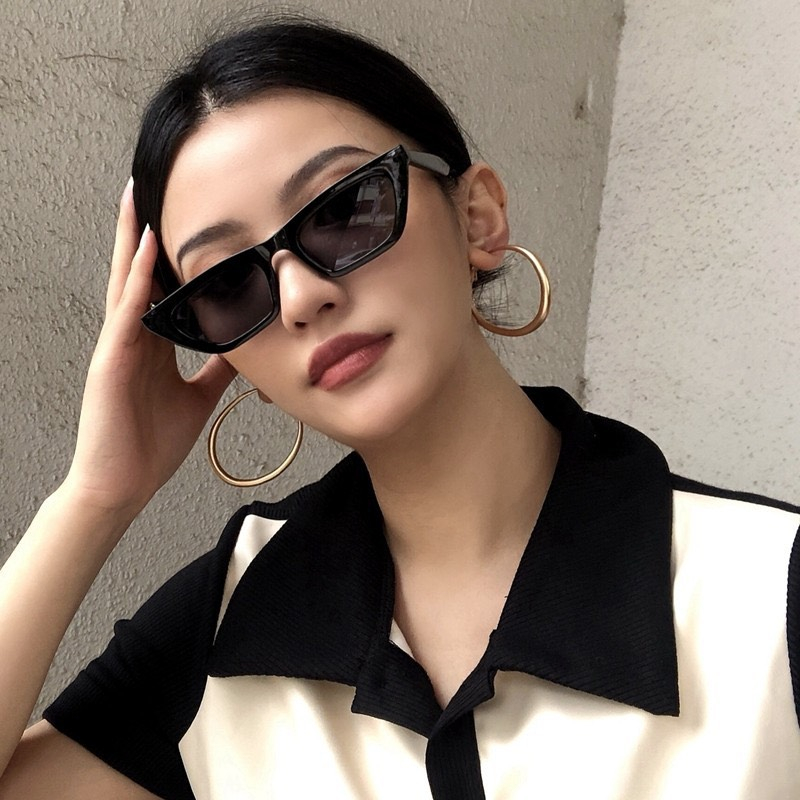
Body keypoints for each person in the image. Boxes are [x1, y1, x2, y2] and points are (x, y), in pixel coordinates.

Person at [1, 15, 799, 800]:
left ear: (477, 218)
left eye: (344, 209)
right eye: (229, 284)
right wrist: (96, 497)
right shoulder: (235, 614)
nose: (301, 296)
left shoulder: (764, 588)